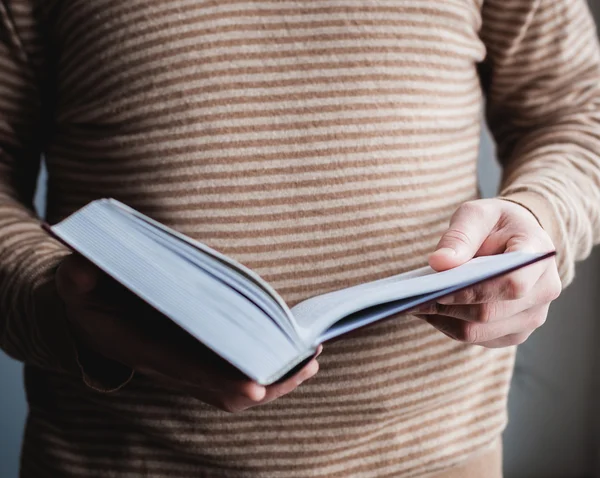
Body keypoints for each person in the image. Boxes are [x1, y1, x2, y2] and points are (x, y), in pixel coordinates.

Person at [1, 0, 599, 476]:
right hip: (114, 459)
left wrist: (544, 218)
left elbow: (578, 107)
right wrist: (57, 310)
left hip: (439, 456)